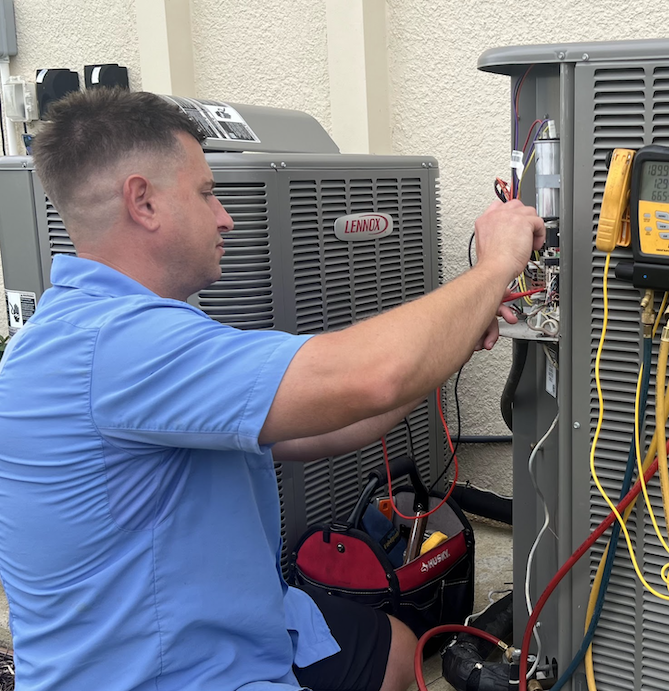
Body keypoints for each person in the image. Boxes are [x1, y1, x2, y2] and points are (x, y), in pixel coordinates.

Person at [0, 88, 544, 691]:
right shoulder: (117, 347)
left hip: (243, 617)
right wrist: (494, 266)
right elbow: (372, 374)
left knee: (394, 650)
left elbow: (331, 423)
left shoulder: (100, 328)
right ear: (143, 201)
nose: (225, 215)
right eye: (206, 192)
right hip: (170, 673)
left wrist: (458, 336)